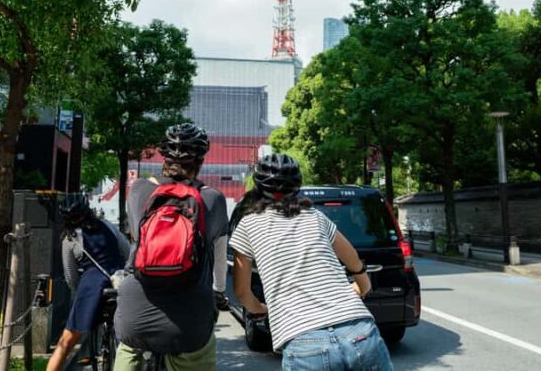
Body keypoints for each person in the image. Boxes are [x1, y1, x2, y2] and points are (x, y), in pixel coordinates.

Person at [230, 154, 393, 371]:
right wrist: (363, 284)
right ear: (297, 188)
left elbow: (242, 292)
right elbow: (352, 257)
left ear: (258, 189)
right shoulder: (314, 216)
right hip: (358, 330)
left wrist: (261, 308)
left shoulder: (248, 225)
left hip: (303, 343)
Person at [114, 123, 229, 371]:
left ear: (163, 156)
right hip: (189, 320)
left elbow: (137, 241)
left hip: (136, 312)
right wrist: (218, 293)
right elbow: (219, 260)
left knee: (128, 346)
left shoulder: (138, 190)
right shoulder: (214, 199)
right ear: (200, 160)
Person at [47, 194, 130, 371]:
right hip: (120, 284)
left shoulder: (70, 240)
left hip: (91, 288)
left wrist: (80, 295)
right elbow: (128, 252)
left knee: (65, 344)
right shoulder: (109, 226)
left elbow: (70, 276)